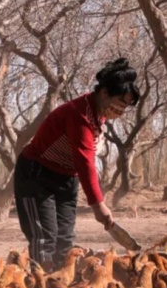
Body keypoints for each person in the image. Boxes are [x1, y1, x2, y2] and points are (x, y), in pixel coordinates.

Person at [14, 58, 140, 271]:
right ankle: (42, 286)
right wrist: (98, 204)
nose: (121, 110)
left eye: (126, 106)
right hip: (36, 176)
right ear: (104, 93)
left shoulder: (98, 116)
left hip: (66, 180)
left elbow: (85, 162)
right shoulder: (79, 114)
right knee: (45, 238)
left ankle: (61, 284)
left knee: (64, 240)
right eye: (120, 102)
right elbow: (84, 161)